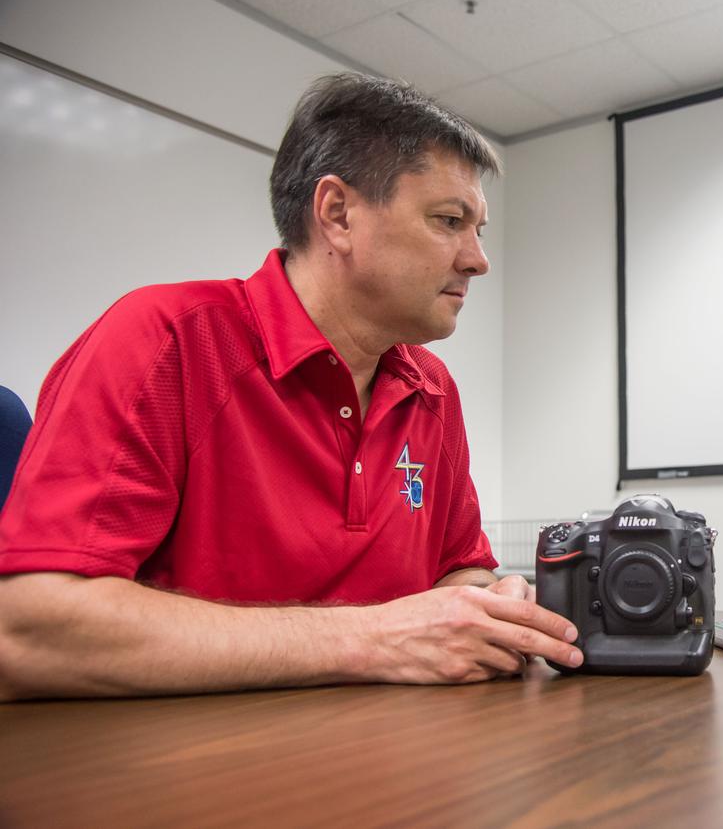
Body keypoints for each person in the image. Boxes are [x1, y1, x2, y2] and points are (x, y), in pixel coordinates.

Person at [0, 73, 582, 700]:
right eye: (449, 220)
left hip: (392, 747)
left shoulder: (431, 388)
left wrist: (486, 602)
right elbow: (28, 631)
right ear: (337, 215)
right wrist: (376, 639)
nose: (477, 259)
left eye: (478, 231)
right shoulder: (164, 341)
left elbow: (457, 567)